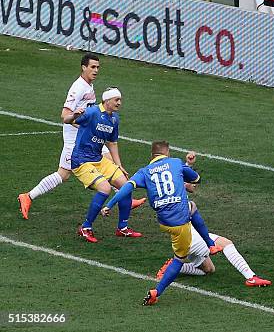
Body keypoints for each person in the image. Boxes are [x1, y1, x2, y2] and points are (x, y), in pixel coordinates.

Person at [17, 54, 145, 220]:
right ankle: (27, 196)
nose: (96, 70)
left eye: (98, 67)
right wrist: (87, 126)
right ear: (83, 67)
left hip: (87, 137)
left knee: (106, 160)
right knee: (63, 174)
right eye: (92, 67)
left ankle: (123, 197)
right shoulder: (78, 88)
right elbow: (65, 115)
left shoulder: (88, 86)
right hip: (75, 139)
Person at [101, 140, 223, 305]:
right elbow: (196, 180)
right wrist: (189, 166)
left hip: (164, 221)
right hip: (180, 222)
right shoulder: (175, 163)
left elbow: (127, 188)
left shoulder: (145, 171)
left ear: (153, 155)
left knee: (190, 207)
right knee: (179, 258)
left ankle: (210, 244)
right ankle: (157, 292)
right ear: (168, 152)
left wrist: (109, 205)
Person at [156, 151, 271, 287]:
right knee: (226, 244)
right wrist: (188, 167)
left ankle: (174, 267)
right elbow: (183, 179)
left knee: (208, 269)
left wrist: (188, 164)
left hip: (181, 236)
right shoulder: (178, 187)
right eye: (192, 183)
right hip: (189, 235)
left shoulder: (172, 188)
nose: (195, 185)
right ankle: (251, 277)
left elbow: (179, 178)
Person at [64, 87, 143, 243]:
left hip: (98, 159)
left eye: (120, 100)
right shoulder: (92, 112)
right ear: (107, 101)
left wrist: (118, 165)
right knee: (105, 189)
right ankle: (85, 227)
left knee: (126, 186)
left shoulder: (114, 119)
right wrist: (74, 115)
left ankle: (122, 228)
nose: (119, 103)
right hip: (81, 160)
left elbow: (112, 143)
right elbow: (67, 120)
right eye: (117, 100)